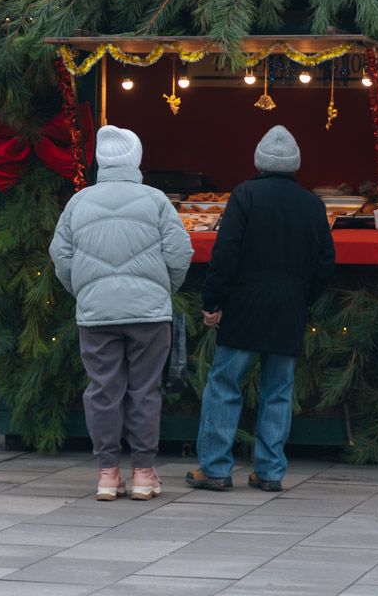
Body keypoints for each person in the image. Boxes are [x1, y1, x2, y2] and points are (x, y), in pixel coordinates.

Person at [186, 126, 335, 493]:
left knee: (224, 384)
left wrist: (213, 301)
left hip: (244, 304)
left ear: (259, 161)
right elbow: (325, 265)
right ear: (295, 163)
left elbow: (225, 253)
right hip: (289, 306)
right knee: (278, 390)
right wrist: (302, 298)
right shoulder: (313, 205)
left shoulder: (245, 195)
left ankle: (215, 467)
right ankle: (269, 471)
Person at [50, 125, 192, 501]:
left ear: (101, 161)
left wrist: (83, 290)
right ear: (136, 159)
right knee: (145, 390)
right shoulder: (156, 200)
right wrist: (163, 289)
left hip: (96, 313)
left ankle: (107, 475)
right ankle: (143, 474)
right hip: (149, 314)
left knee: (102, 390)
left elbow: (60, 255)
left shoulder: (79, 203)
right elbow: (180, 252)